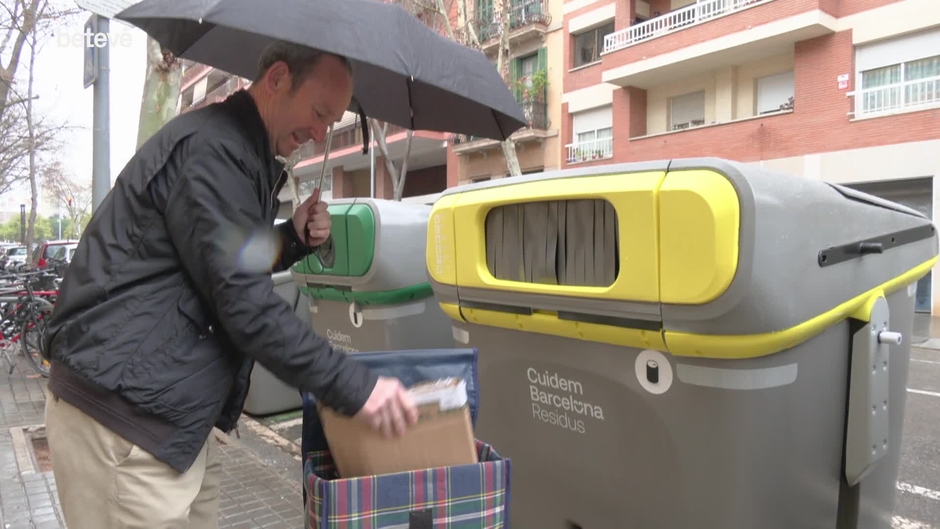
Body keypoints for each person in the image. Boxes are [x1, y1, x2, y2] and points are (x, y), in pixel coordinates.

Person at [41, 41, 419, 528]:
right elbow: (244, 301)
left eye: (331, 122)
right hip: (124, 423)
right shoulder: (213, 151)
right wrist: (357, 388)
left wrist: (293, 238)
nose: (319, 134)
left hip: (172, 420)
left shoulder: (241, 156)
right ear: (277, 78)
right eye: (319, 113)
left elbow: (226, 262)